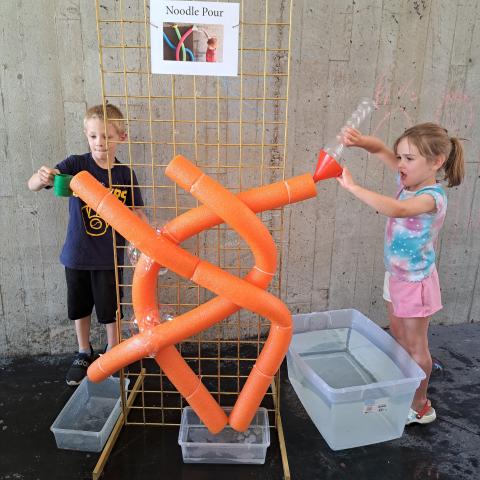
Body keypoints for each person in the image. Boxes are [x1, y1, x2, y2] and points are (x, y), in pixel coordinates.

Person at [338, 123, 465, 425]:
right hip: (395, 276)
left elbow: (398, 210)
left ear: (436, 162)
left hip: (415, 282)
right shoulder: (407, 181)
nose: (400, 164)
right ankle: (403, 386)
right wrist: (360, 141)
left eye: (409, 159)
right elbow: (381, 149)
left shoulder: (431, 197)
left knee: (416, 346)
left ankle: (420, 406)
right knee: (398, 336)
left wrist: (354, 188)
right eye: (400, 157)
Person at [28, 104, 147, 386]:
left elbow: (139, 214)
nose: (100, 143)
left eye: (107, 136)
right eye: (93, 136)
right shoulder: (77, 165)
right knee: (79, 307)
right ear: (86, 135)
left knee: (110, 309)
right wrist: (42, 176)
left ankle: (112, 350)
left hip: (110, 258)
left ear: (122, 137)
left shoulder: (125, 175)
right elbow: (33, 185)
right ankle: (83, 352)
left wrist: (145, 235)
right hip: (77, 256)